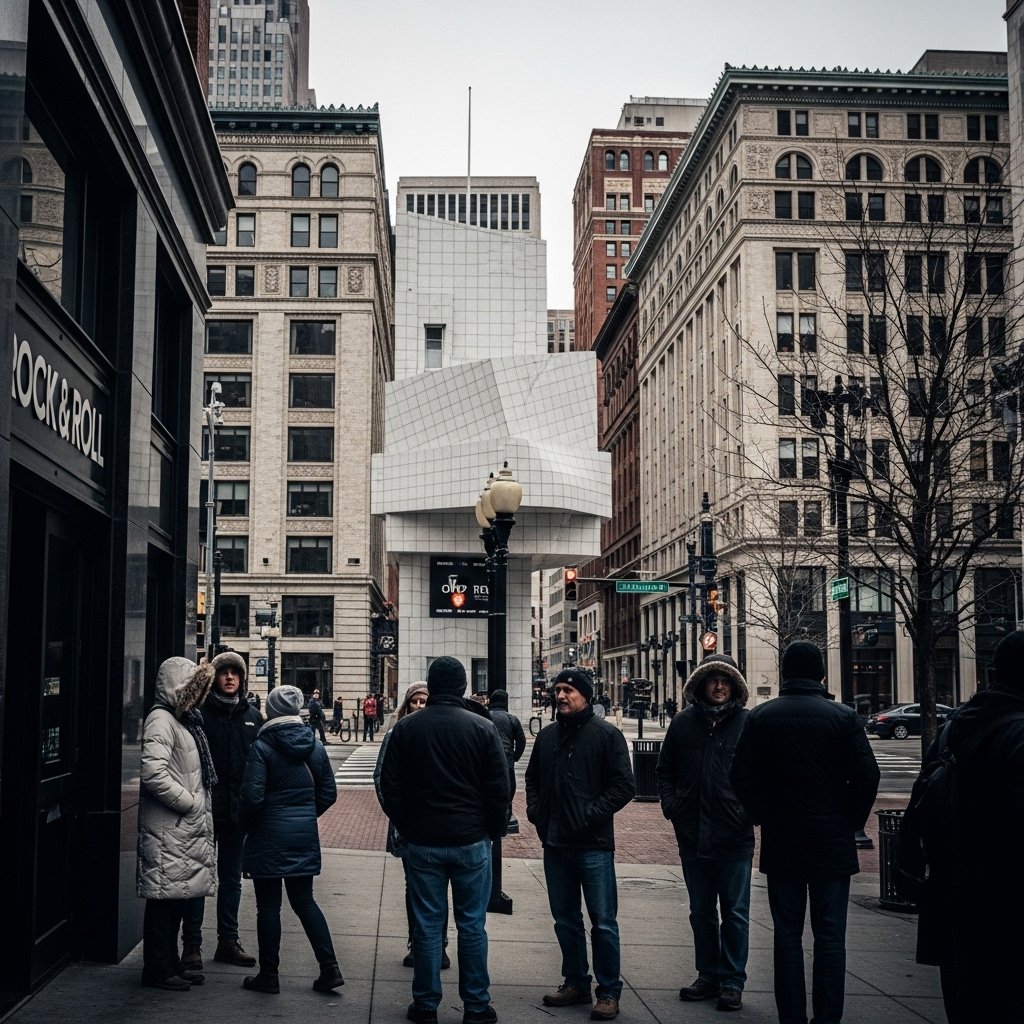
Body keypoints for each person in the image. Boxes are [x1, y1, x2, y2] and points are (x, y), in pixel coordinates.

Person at [730, 641, 879, 1024]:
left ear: (784, 674)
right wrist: (851, 821)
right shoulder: (843, 717)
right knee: (830, 937)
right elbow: (867, 775)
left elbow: (740, 775)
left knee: (787, 935)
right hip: (832, 839)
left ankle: (791, 1016)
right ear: (821, 675)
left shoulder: (762, 718)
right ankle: (827, 1017)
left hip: (784, 839)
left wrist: (762, 813)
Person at [379, 657, 510, 1024]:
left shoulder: (407, 729)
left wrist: (407, 823)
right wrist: (491, 829)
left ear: (431, 687)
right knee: (472, 925)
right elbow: (499, 788)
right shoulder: (481, 728)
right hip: (471, 840)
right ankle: (476, 1005)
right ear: (463, 687)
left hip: (423, 841)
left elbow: (389, 784)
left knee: (427, 925)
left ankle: (425, 1004)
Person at [913, 629, 1024, 1023]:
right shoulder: (1017, 733)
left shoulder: (954, 728)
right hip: (1007, 901)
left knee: (965, 1002)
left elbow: (918, 804)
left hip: (955, 895)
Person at [526, 668, 636, 1022]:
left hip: (593, 845)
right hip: (555, 843)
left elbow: (623, 786)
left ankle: (608, 992)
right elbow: (532, 780)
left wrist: (590, 813)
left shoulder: (606, 736)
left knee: (603, 921)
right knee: (565, 920)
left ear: (586, 695)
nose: (561, 696)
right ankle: (575, 982)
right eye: (558, 689)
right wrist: (536, 812)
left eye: (569, 690)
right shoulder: (546, 737)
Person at [656, 654, 753, 1012]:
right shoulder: (683, 723)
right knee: (701, 911)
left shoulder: (748, 724)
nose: (718, 686)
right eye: (711, 680)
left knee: (735, 912)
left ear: (735, 686)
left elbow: (763, 775)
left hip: (735, 836)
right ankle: (707, 974)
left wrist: (748, 812)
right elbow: (663, 770)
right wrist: (673, 807)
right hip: (693, 834)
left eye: (725, 680)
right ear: (699, 684)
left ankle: (732, 981)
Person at [237, 684, 343, 995]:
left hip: (267, 836)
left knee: (268, 906)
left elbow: (252, 798)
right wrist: (304, 816)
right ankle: (330, 968)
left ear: (270, 711)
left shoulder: (262, 747)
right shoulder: (315, 746)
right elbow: (328, 794)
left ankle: (269, 974)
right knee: (305, 902)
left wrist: (248, 827)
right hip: (301, 835)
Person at [137, 657, 217, 991]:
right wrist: (190, 802)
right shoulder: (161, 719)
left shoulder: (184, 720)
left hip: (181, 831)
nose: (198, 697)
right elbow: (153, 773)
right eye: (192, 688)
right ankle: (157, 968)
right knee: (163, 903)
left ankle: (169, 964)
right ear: (177, 687)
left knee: (176, 901)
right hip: (169, 828)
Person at [181, 650, 262, 972]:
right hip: (203, 809)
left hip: (235, 813)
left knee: (231, 878)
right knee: (198, 877)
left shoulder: (253, 716)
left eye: (235, 672)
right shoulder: (198, 713)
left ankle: (228, 941)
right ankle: (192, 944)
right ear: (214, 677)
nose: (229, 677)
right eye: (223, 672)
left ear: (242, 679)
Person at [373, 682, 451, 970]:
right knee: (415, 889)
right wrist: (400, 815)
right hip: (408, 826)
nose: (419, 706)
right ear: (407, 704)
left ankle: (438, 945)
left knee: (436, 888)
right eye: (415, 701)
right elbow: (381, 776)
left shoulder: (438, 730)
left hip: (437, 823)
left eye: (424, 701)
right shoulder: (397, 732)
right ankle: (418, 943)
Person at [487, 689, 526, 832]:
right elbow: (521, 741)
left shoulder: (486, 716)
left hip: (489, 758)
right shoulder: (512, 719)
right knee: (509, 787)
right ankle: (506, 815)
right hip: (507, 757)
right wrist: (515, 756)